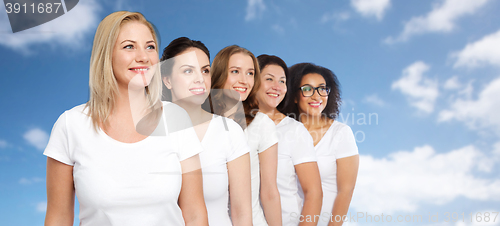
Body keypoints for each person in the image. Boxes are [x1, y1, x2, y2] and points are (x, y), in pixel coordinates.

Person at [43, 11, 208, 226]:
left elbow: (195, 213)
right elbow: (58, 218)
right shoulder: (70, 125)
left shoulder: (176, 119)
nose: (143, 56)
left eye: (150, 47)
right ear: (106, 55)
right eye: (129, 46)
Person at [160, 37, 252, 226]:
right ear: (167, 80)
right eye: (188, 70)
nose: (200, 79)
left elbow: (242, 214)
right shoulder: (150, 133)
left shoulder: (229, 132)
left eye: (205, 70)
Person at [208, 45, 282, 226]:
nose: (244, 80)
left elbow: (269, 192)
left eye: (250, 73)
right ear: (218, 74)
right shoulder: (201, 122)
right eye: (235, 71)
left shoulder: (261, 124)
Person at [281, 63, 359, 226]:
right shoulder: (284, 132)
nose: (317, 96)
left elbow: (346, 191)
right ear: (294, 96)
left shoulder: (340, 133)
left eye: (322, 89)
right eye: (307, 89)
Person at [256, 55, 323, 226]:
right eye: (269, 79)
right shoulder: (236, 127)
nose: (276, 87)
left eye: (282, 81)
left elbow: (313, 192)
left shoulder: (294, 130)